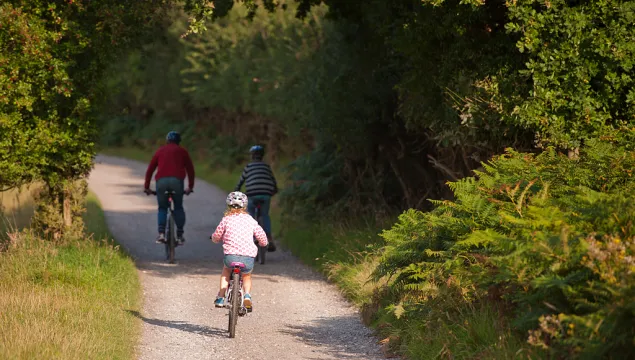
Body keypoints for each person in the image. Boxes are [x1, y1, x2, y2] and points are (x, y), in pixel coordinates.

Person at [211, 191, 268, 310]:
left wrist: (215, 239)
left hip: (230, 256)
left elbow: (217, 235)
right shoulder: (250, 220)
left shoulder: (226, 219)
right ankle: (247, 296)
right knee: (246, 276)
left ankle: (221, 297)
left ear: (229, 205)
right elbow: (261, 235)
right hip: (247, 257)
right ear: (245, 206)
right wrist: (263, 243)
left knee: (226, 271)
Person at [144, 131, 195, 245]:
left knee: (162, 208)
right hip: (177, 182)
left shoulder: (160, 151)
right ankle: (180, 235)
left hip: (161, 182)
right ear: (178, 141)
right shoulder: (182, 151)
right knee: (178, 207)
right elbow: (190, 170)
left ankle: (161, 234)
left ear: (167, 140)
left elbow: (150, 169)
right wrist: (190, 187)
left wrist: (147, 187)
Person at [234, 145, 278, 251]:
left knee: (251, 215)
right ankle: (269, 239)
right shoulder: (266, 166)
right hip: (266, 194)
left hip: (252, 194)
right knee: (265, 215)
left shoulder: (248, 167)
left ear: (252, 156)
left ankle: (253, 237)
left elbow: (241, 181)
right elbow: (273, 180)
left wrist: (236, 190)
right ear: (262, 156)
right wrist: (274, 190)